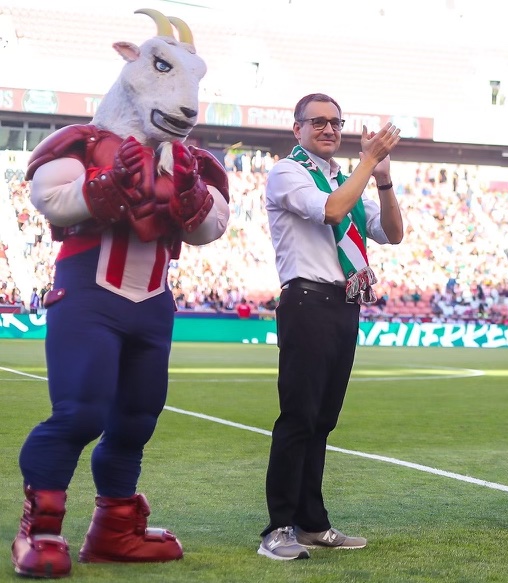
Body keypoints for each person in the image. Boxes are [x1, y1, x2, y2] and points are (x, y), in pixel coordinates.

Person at [12, 10, 229, 578]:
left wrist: (193, 200)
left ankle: (114, 528)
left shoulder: (189, 159)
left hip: (153, 301)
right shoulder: (84, 142)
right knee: (80, 413)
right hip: (90, 294)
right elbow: (48, 195)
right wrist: (104, 186)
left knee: (136, 420)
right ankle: (41, 530)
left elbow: (213, 227)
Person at [259, 93, 402, 560]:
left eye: (335, 122)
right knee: (298, 417)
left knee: (322, 421)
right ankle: (278, 528)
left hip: (343, 303)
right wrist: (366, 162)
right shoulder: (288, 172)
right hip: (306, 300)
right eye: (317, 122)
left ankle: (312, 524)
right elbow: (333, 210)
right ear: (296, 128)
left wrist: (382, 180)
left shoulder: (344, 178)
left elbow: (393, 234)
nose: (329, 129)